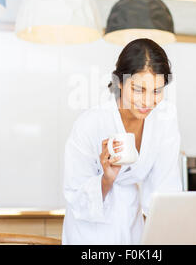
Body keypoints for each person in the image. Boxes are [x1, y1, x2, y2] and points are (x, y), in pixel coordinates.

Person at [61, 38, 182, 244]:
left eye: (157, 91)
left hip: (132, 228)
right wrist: (106, 179)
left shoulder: (164, 120)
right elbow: (75, 196)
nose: (148, 102)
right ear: (119, 83)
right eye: (138, 90)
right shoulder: (90, 124)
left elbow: (165, 192)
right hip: (89, 235)